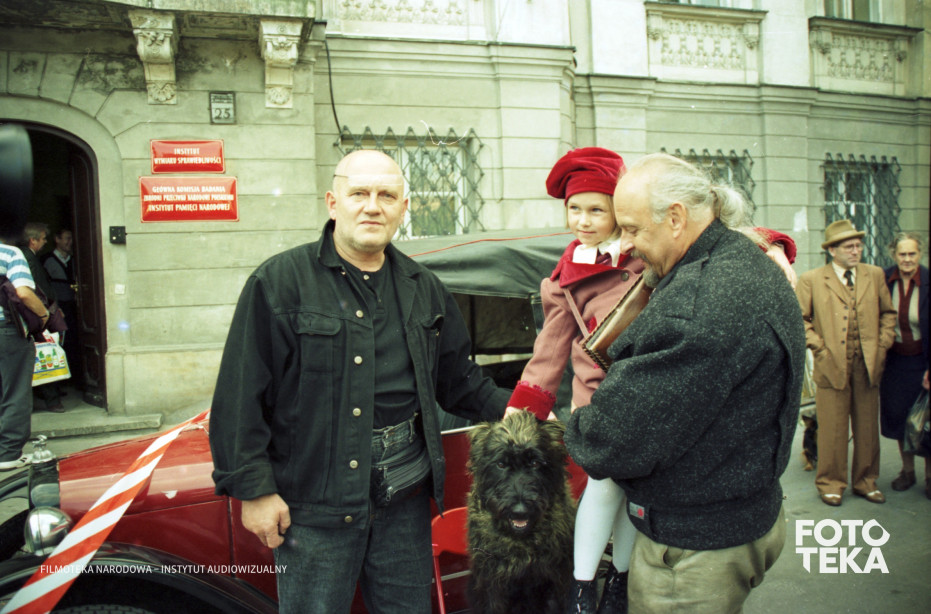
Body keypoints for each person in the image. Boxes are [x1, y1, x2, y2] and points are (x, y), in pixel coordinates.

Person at [209, 149, 509, 614]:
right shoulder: (279, 282)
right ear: (333, 203)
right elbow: (240, 395)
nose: (373, 206)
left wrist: (525, 408)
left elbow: (459, 383)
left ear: (403, 208)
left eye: (386, 196)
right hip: (314, 502)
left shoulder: (424, 287)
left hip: (404, 496)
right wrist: (255, 491)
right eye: (359, 194)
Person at [563, 153, 805, 614]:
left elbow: (611, 443)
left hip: (692, 553)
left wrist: (579, 424)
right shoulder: (745, 259)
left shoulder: (694, 307)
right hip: (744, 517)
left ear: (676, 218)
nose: (626, 244)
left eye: (632, 229)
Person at [796, 219, 896, 507]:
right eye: (849, 246)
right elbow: (800, 320)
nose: (856, 251)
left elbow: (888, 314)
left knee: (867, 428)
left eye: (858, 245)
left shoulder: (874, 275)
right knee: (832, 428)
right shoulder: (812, 279)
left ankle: (866, 481)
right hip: (831, 366)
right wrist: (819, 348)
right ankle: (831, 483)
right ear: (832, 251)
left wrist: (883, 344)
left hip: (868, 365)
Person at [879, 232, 929, 498]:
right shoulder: (884, 279)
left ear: (920, 254)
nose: (907, 259)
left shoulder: (928, 281)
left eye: (912, 254)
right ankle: (907, 471)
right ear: (894, 255)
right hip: (894, 362)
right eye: (902, 254)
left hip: (923, 361)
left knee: (925, 420)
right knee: (899, 417)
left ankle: (930, 476)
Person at [1, 239, 50, 471]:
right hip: (7, 331)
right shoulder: (9, 253)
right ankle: (8, 454)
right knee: (15, 392)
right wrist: (43, 315)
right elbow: (23, 292)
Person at [20, 222, 64, 412]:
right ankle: (52, 400)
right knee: (45, 353)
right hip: (37, 314)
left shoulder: (28, 256)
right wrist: (50, 310)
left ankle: (46, 395)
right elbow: (37, 288)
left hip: (34, 313)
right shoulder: (27, 257)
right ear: (33, 240)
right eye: (44, 239)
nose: (46, 242)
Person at [43, 228, 81, 389]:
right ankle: (58, 383)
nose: (70, 242)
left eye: (71, 239)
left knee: (75, 340)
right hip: (58, 307)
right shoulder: (46, 260)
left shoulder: (74, 259)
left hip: (74, 305)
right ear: (57, 239)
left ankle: (76, 379)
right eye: (67, 238)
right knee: (59, 342)